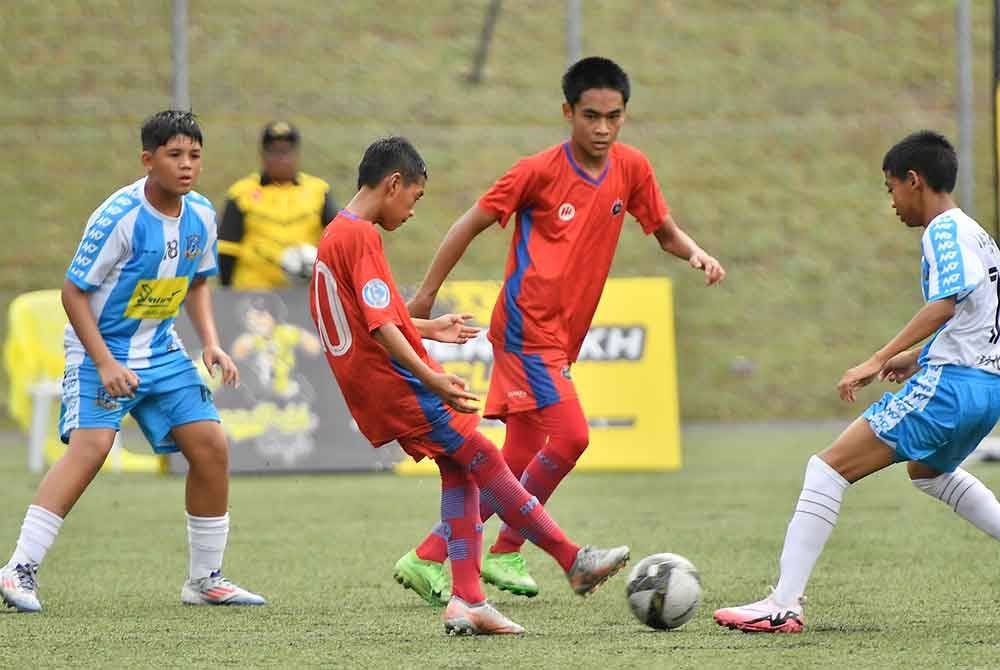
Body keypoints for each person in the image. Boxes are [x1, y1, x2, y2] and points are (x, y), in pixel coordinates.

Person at [393, 56, 725, 605]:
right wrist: (426, 294)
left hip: (561, 336)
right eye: (590, 115)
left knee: (517, 459)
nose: (601, 128)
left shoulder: (632, 168)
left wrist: (695, 253)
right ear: (568, 112)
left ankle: (429, 554)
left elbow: (661, 229)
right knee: (572, 436)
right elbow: (468, 222)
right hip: (526, 328)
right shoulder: (538, 171)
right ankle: (506, 549)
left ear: (624, 116)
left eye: (613, 117)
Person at [308, 136, 630, 635]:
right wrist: (432, 377)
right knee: (487, 458)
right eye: (414, 199)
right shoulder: (363, 237)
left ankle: (468, 601)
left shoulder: (337, 233)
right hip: (395, 383)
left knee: (459, 472)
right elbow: (381, 328)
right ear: (393, 184)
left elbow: (372, 316)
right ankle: (573, 560)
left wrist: (431, 329)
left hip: (372, 386)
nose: (412, 213)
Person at [714, 130, 1000, 633]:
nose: (891, 201)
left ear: (914, 181)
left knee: (826, 470)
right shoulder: (980, 236)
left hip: (952, 389)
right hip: (987, 389)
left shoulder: (943, 232)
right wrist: (918, 355)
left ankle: (782, 605)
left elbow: (948, 299)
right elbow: (977, 313)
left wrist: (878, 358)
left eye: (890, 188)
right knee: (929, 474)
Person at [0, 111, 265, 613]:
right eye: (175, 155)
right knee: (92, 448)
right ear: (148, 160)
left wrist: (210, 341)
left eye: (195, 156)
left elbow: (200, 281)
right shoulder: (118, 217)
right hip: (101, 350)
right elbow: (73, 293)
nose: (187, 166)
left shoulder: (203, 215)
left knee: (210, 445)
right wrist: (103, 364)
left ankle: (205, 579)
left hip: (161, 350)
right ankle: (18, 569)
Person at [217, 121, 337, 289]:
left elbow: (338, 240)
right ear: (262, 155)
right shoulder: (241, 192)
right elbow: (227, 249)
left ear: (296, 155)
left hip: (304, 293)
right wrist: (228, 293)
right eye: (273, 152)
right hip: (253, 294)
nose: (281, 159)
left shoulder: (318, 191)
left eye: (286, 152)